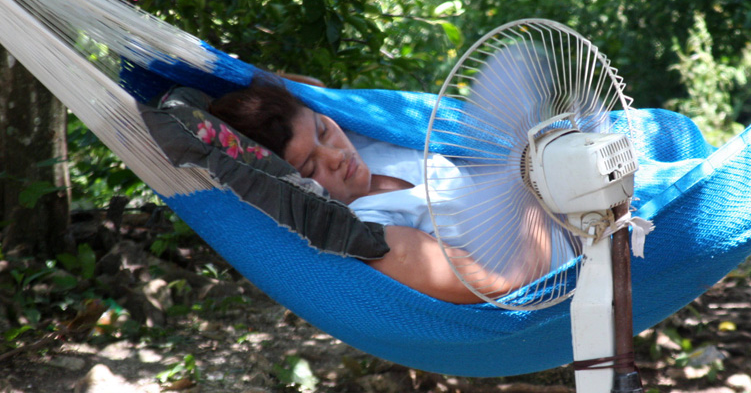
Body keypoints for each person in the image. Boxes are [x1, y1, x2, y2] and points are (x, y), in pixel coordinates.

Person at [208, 80, 553, 304]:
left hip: (548, 169)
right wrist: (530, 186)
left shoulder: (367, 133)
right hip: (568, 243)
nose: (337, 156)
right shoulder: (369, 228)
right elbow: (502, 281)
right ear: (294, 187)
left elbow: (309, 90)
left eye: (324, 131)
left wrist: (223, 70)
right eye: (311, 169)